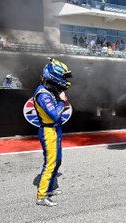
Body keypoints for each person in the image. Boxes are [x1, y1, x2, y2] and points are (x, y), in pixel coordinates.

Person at [34, 58, 72, 207]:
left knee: (57, 161)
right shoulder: (43, 94)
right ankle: (41, 196)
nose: (64, 80)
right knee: (50, 164)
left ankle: (49, 190)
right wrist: (62, 101)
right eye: (63, 77)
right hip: (48, 130)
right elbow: (55, 115)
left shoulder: (49, 90)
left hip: (56, 129)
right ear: (53, 76)